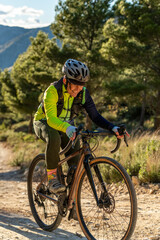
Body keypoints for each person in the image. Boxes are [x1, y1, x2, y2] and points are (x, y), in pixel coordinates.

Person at [33, 59, 124, 195]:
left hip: (67, 125)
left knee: (75, 166)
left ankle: (72, 203)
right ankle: (52, 180)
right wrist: (68, 128)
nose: (77, 90)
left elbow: (95, 116)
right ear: (65, 81)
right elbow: (51, 119)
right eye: (74, 86)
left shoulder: (83, 93)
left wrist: (112, 127)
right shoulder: (52, 91)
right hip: (44, 122)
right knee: (54, 137)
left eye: (80, 86)